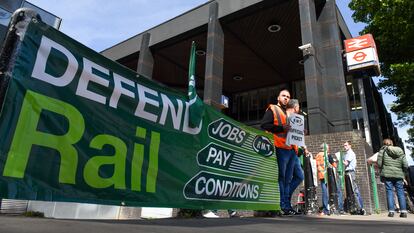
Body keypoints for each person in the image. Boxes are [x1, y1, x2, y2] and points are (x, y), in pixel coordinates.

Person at [261, 90, 302, 215]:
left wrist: (300, 132)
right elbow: (264, 125)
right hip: (279, 147)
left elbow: (291, 132)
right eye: (284, 96)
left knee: (288, 179)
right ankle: (283, 206)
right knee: (282, 178)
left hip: (290, 149)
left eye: (288, 97)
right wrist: (280, 128)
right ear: (278, 97)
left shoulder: (288, 114)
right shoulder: (272, 109)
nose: (286, 98)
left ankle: (286, 206)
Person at [377, 138, 408, 218]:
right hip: (398, 175)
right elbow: (405, 165)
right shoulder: (400, 151)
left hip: (387, 175)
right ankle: (403, 212)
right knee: (400, 192)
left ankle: (391, 212)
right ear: (392, 143)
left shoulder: (382, 151)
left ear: (384, 144)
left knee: (390, 192)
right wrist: (402, 172)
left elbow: (379, 164)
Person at [343, 140, 365, 215]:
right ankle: (356, 208)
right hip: (348, 172)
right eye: (344, 145)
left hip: (350, 172)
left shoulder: (350, 153)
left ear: (350, 146)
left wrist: (340, 160)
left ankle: (361, 208)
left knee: (354, 190)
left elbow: (346, 163)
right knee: (352, 191)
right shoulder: (347, 154)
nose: (344, 147)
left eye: (346, 145)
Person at [315, 143, 329, 216]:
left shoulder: (317, 155)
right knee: (326, 192)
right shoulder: (325, 155)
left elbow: (317, 165)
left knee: (325, 192)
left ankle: (326, 208)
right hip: (326, 175)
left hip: (321, 175)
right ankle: (326, 208)